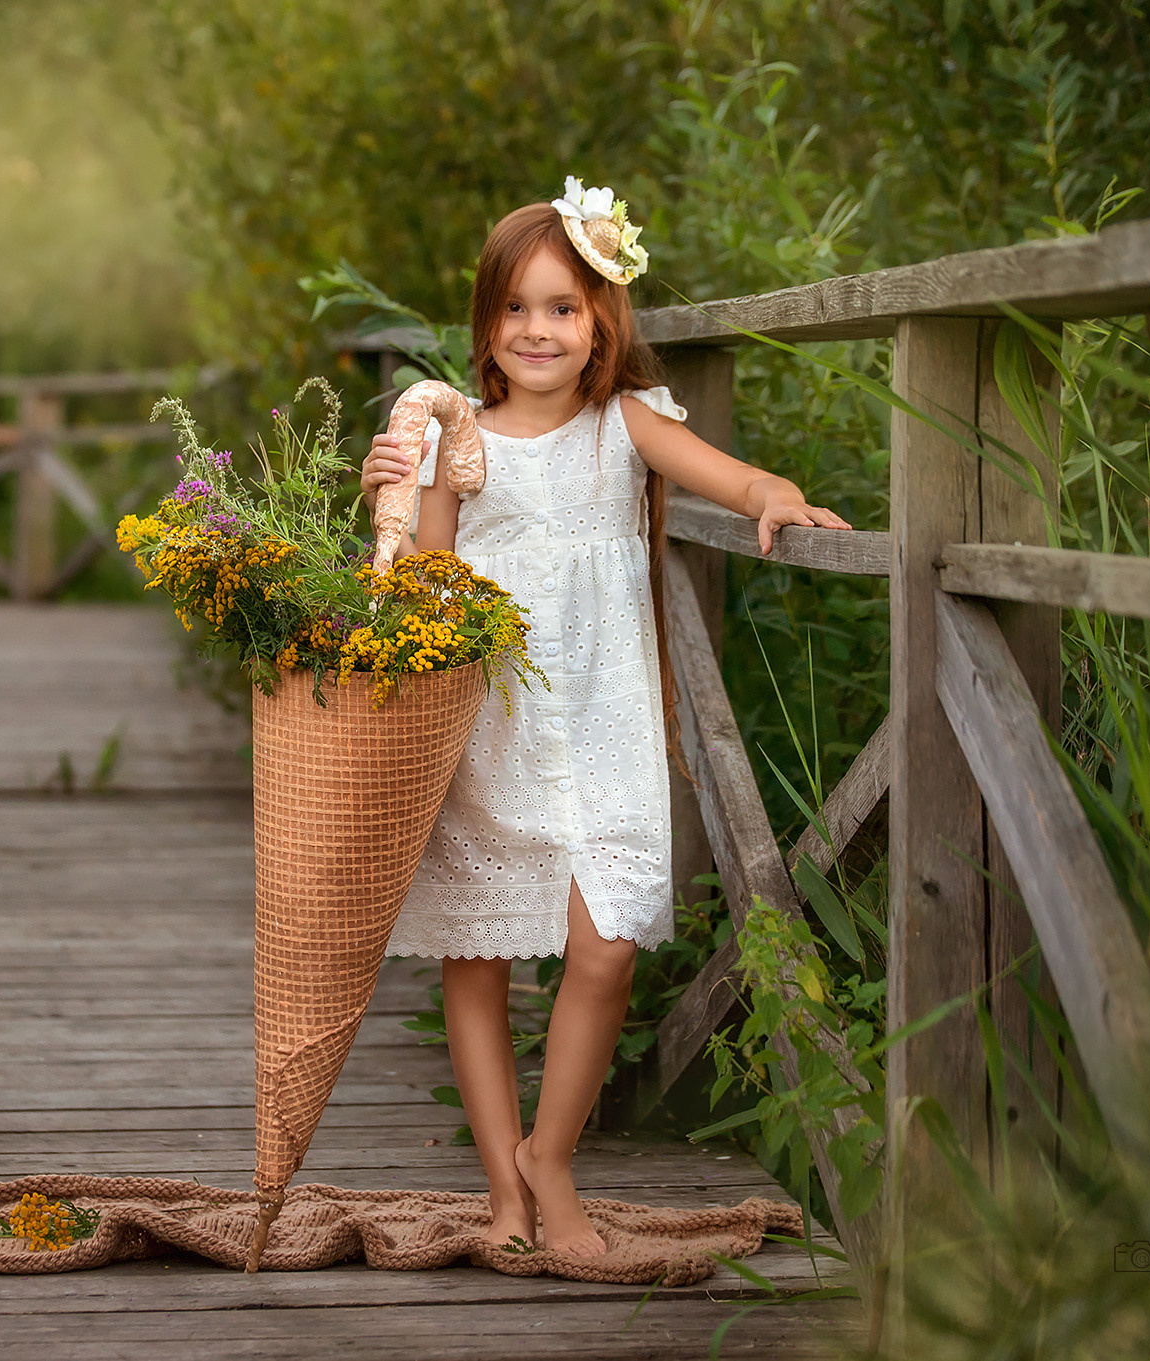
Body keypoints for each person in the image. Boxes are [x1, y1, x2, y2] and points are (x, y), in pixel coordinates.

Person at [359, 180, 852, 1256]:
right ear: (487, 322)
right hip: (490, 725)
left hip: (608, 722)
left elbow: (731, 475)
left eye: (564, 308)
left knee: (608, 940)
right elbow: (424, 582)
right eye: (518, 308)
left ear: (602, 324)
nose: (539, 330)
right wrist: (394, 491)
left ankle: (552, 1154)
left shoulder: (624, 424)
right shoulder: (460, 438)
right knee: (478, 953)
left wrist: (771, 493)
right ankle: (503, 1189)